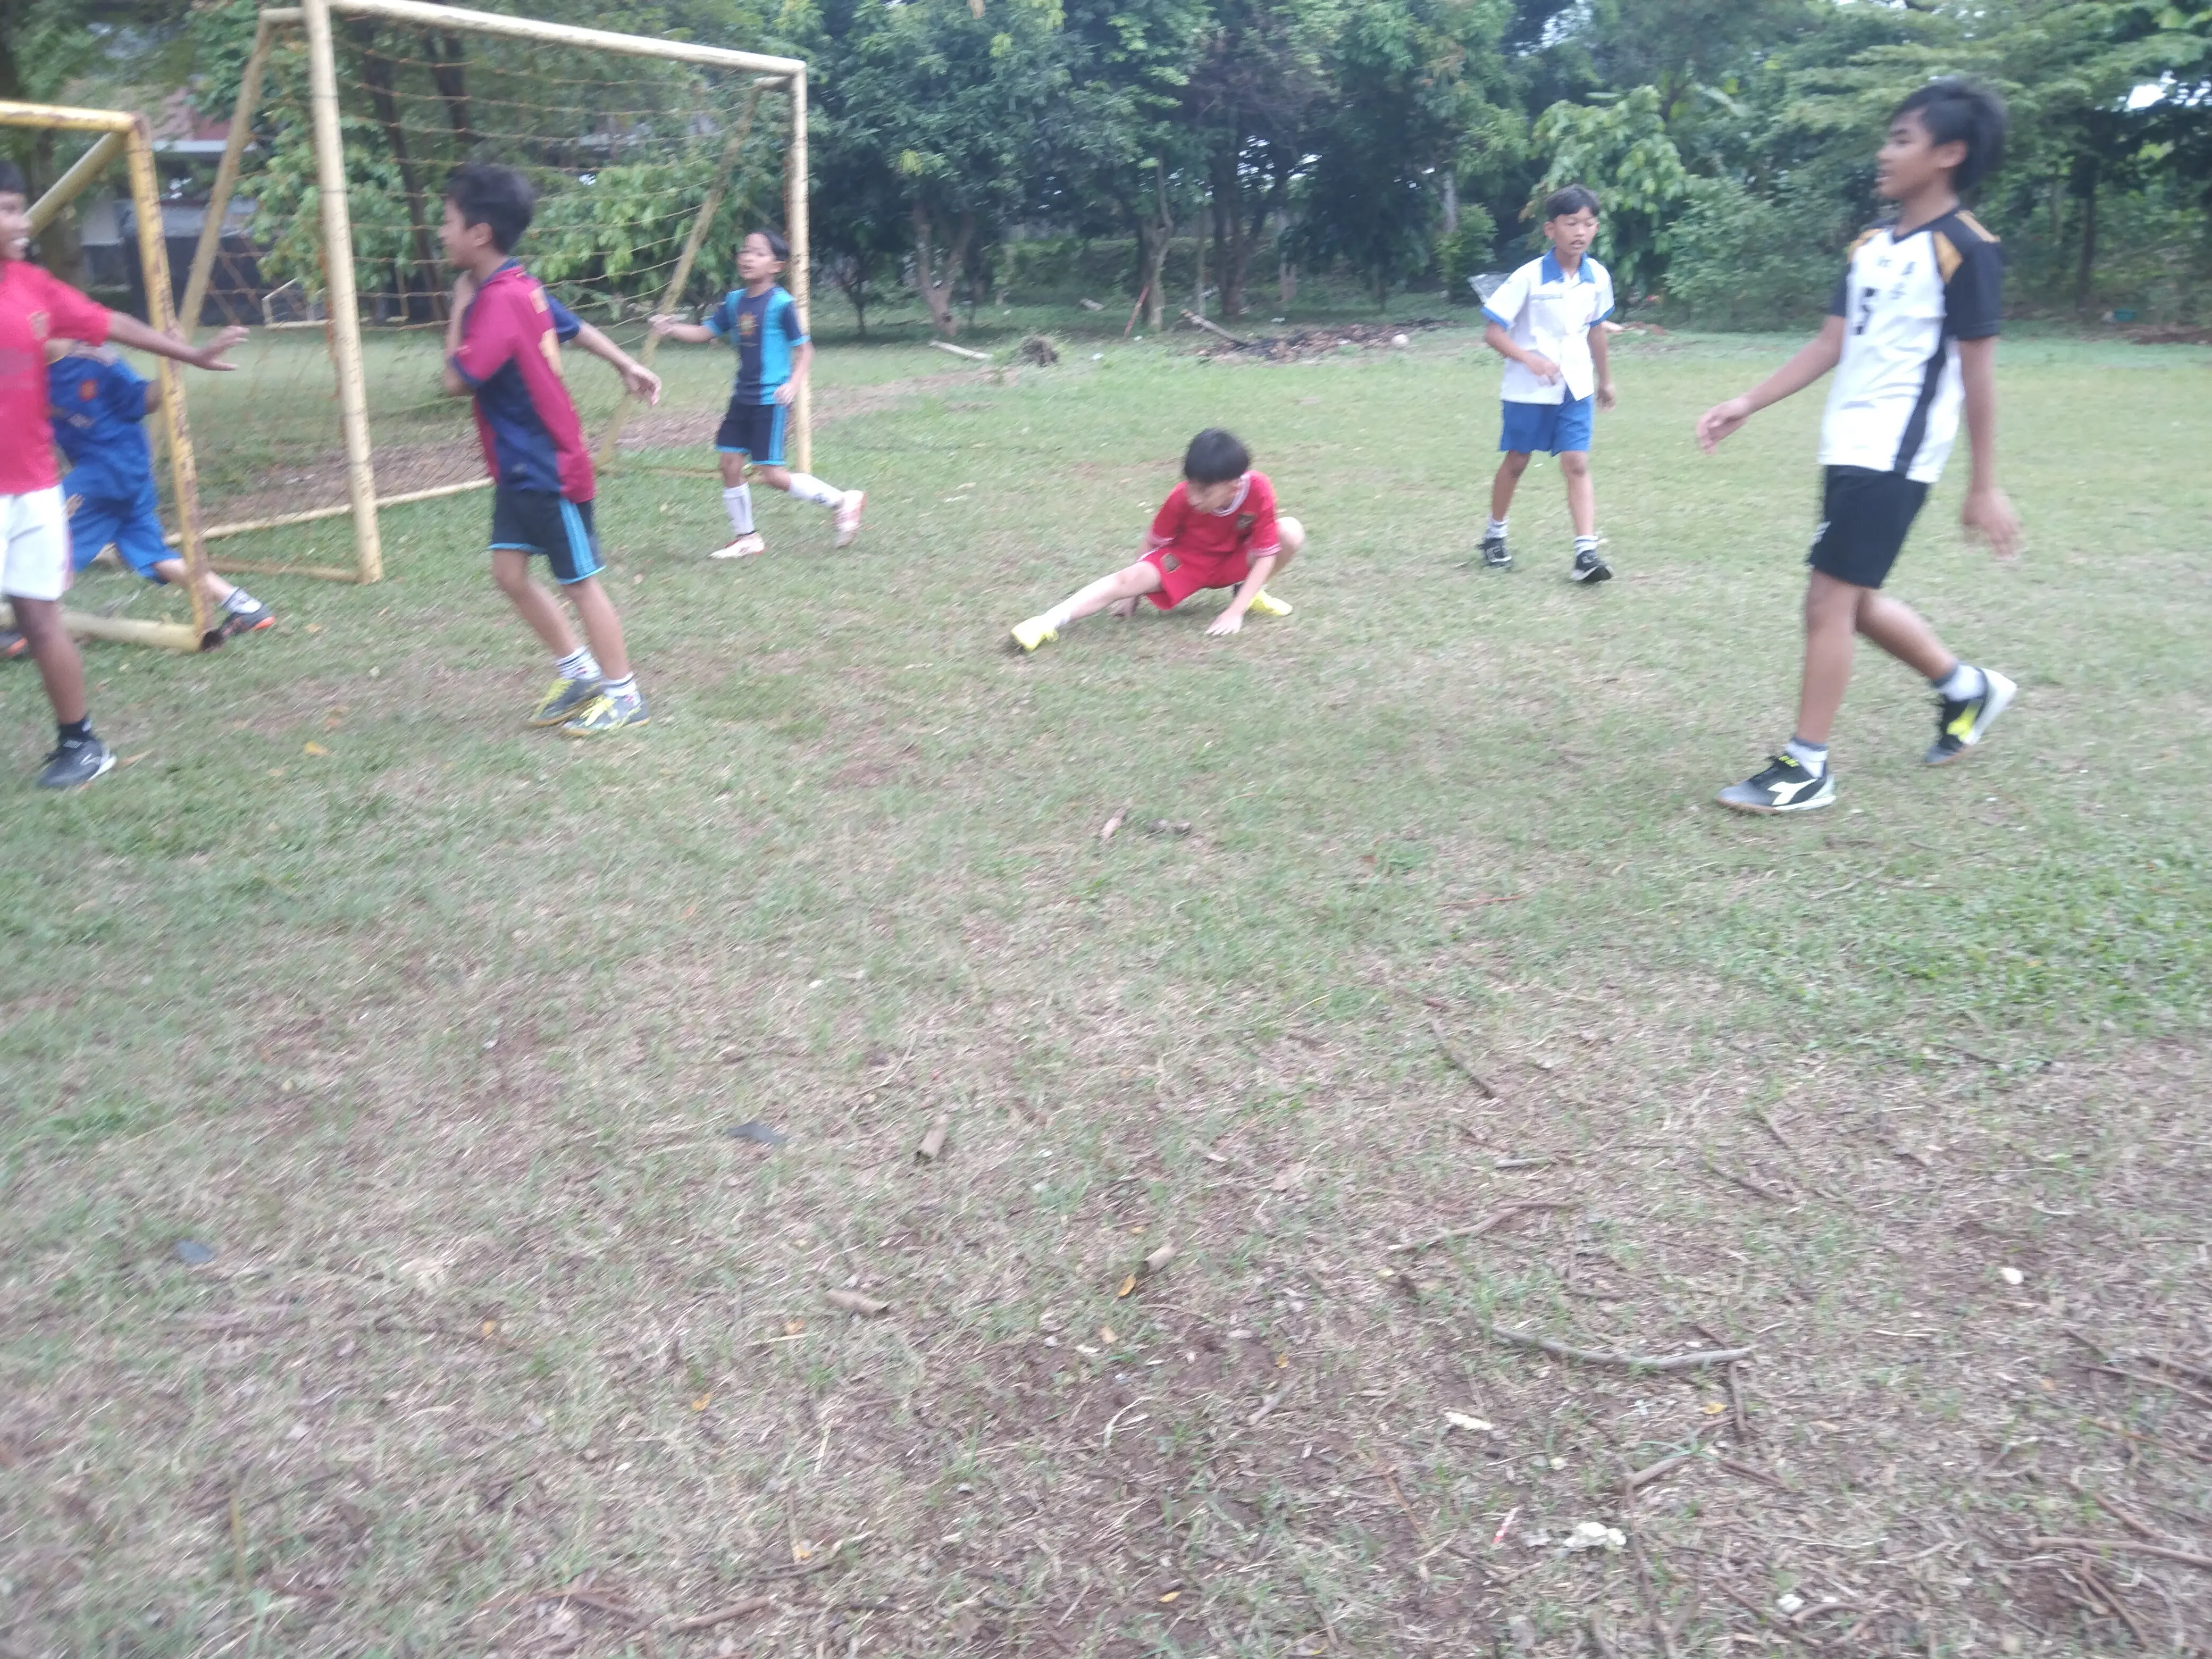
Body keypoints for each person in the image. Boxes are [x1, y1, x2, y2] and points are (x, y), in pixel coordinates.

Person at [1697, 78, 2020, 816]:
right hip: (1848, 446)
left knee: (1827, 598)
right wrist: (1748, 401)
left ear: (1949, 153)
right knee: (1855, 599)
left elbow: (1979, 375)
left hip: (1899, 456)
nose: (1885, 151)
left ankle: (1806, 765)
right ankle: (1966, 688)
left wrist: (1985, 483)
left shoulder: (1968, 250)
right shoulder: (1873, 243)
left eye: (1902, 139)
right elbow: (1830, 344)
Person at [0, 160, 248, 790]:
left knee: (40, 618)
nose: (22, 222)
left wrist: (188, 354)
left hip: (32, 491)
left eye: (20, 206)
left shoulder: (33, 285)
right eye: (7, 209)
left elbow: (111, 324)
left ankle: (81, 745)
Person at [438, 162, 663, 735]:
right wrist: (627, 361)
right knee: (509, 573)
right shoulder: (520, 285)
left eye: (448, 221)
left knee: (578, 583)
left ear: (479, 233)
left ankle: (623, 694)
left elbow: (458, 379)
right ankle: (579, 673)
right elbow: (572, 325)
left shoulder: (493, 302)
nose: (441, 232)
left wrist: (458, 306)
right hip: (518, 468)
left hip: (548, 467)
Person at [32, 338, 273, 649]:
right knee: (154, 554)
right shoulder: (24, 366)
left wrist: (176, 362)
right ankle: (247, 607)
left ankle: (31, 627)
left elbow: (142, 399)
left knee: (45, 533)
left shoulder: (95, 359)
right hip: (117, 474)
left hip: (113, 468)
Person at [649, 229, 864, 559]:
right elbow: (706, 331)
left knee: (772, 474)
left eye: (759, 253)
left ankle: (841, 501)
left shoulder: (782, 304)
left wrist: (793, 384)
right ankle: (747, 538)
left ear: (777, 265)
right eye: (746, 251)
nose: (748, 258)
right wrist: (670, 328)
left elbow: (805, 351)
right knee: (730, 463)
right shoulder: (734, 302)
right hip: (742, 397)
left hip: (770, 401)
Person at [1010, 428, 1302, 651]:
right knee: (1125, 580)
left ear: (1233, 486)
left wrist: (1235, 611)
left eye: (1204, 491)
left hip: (1233, 562)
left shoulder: (1259, 488)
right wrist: (1130, 598)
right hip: (1184, 563)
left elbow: (1266, 553)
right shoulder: (1180, 499)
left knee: (1289, 531)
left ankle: (1250, 594)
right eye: (1191, 486)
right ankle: (1046, 622)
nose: (1193, 497)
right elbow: (1152, 543)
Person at [1478, 184, 1618, 583]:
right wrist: (1528, 359)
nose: (1581, 231)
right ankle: (1494, 534)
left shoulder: (1597, 277)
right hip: (1528, 388)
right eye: (1571, 222)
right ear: (1550, 229)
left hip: (1576, 385)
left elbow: (1596, 331)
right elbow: (1493, 332)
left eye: (1589, 223)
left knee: (1577, 462)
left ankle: (1586, 553)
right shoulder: (1528, 277)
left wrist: (1605, 379)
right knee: (1518, 460)